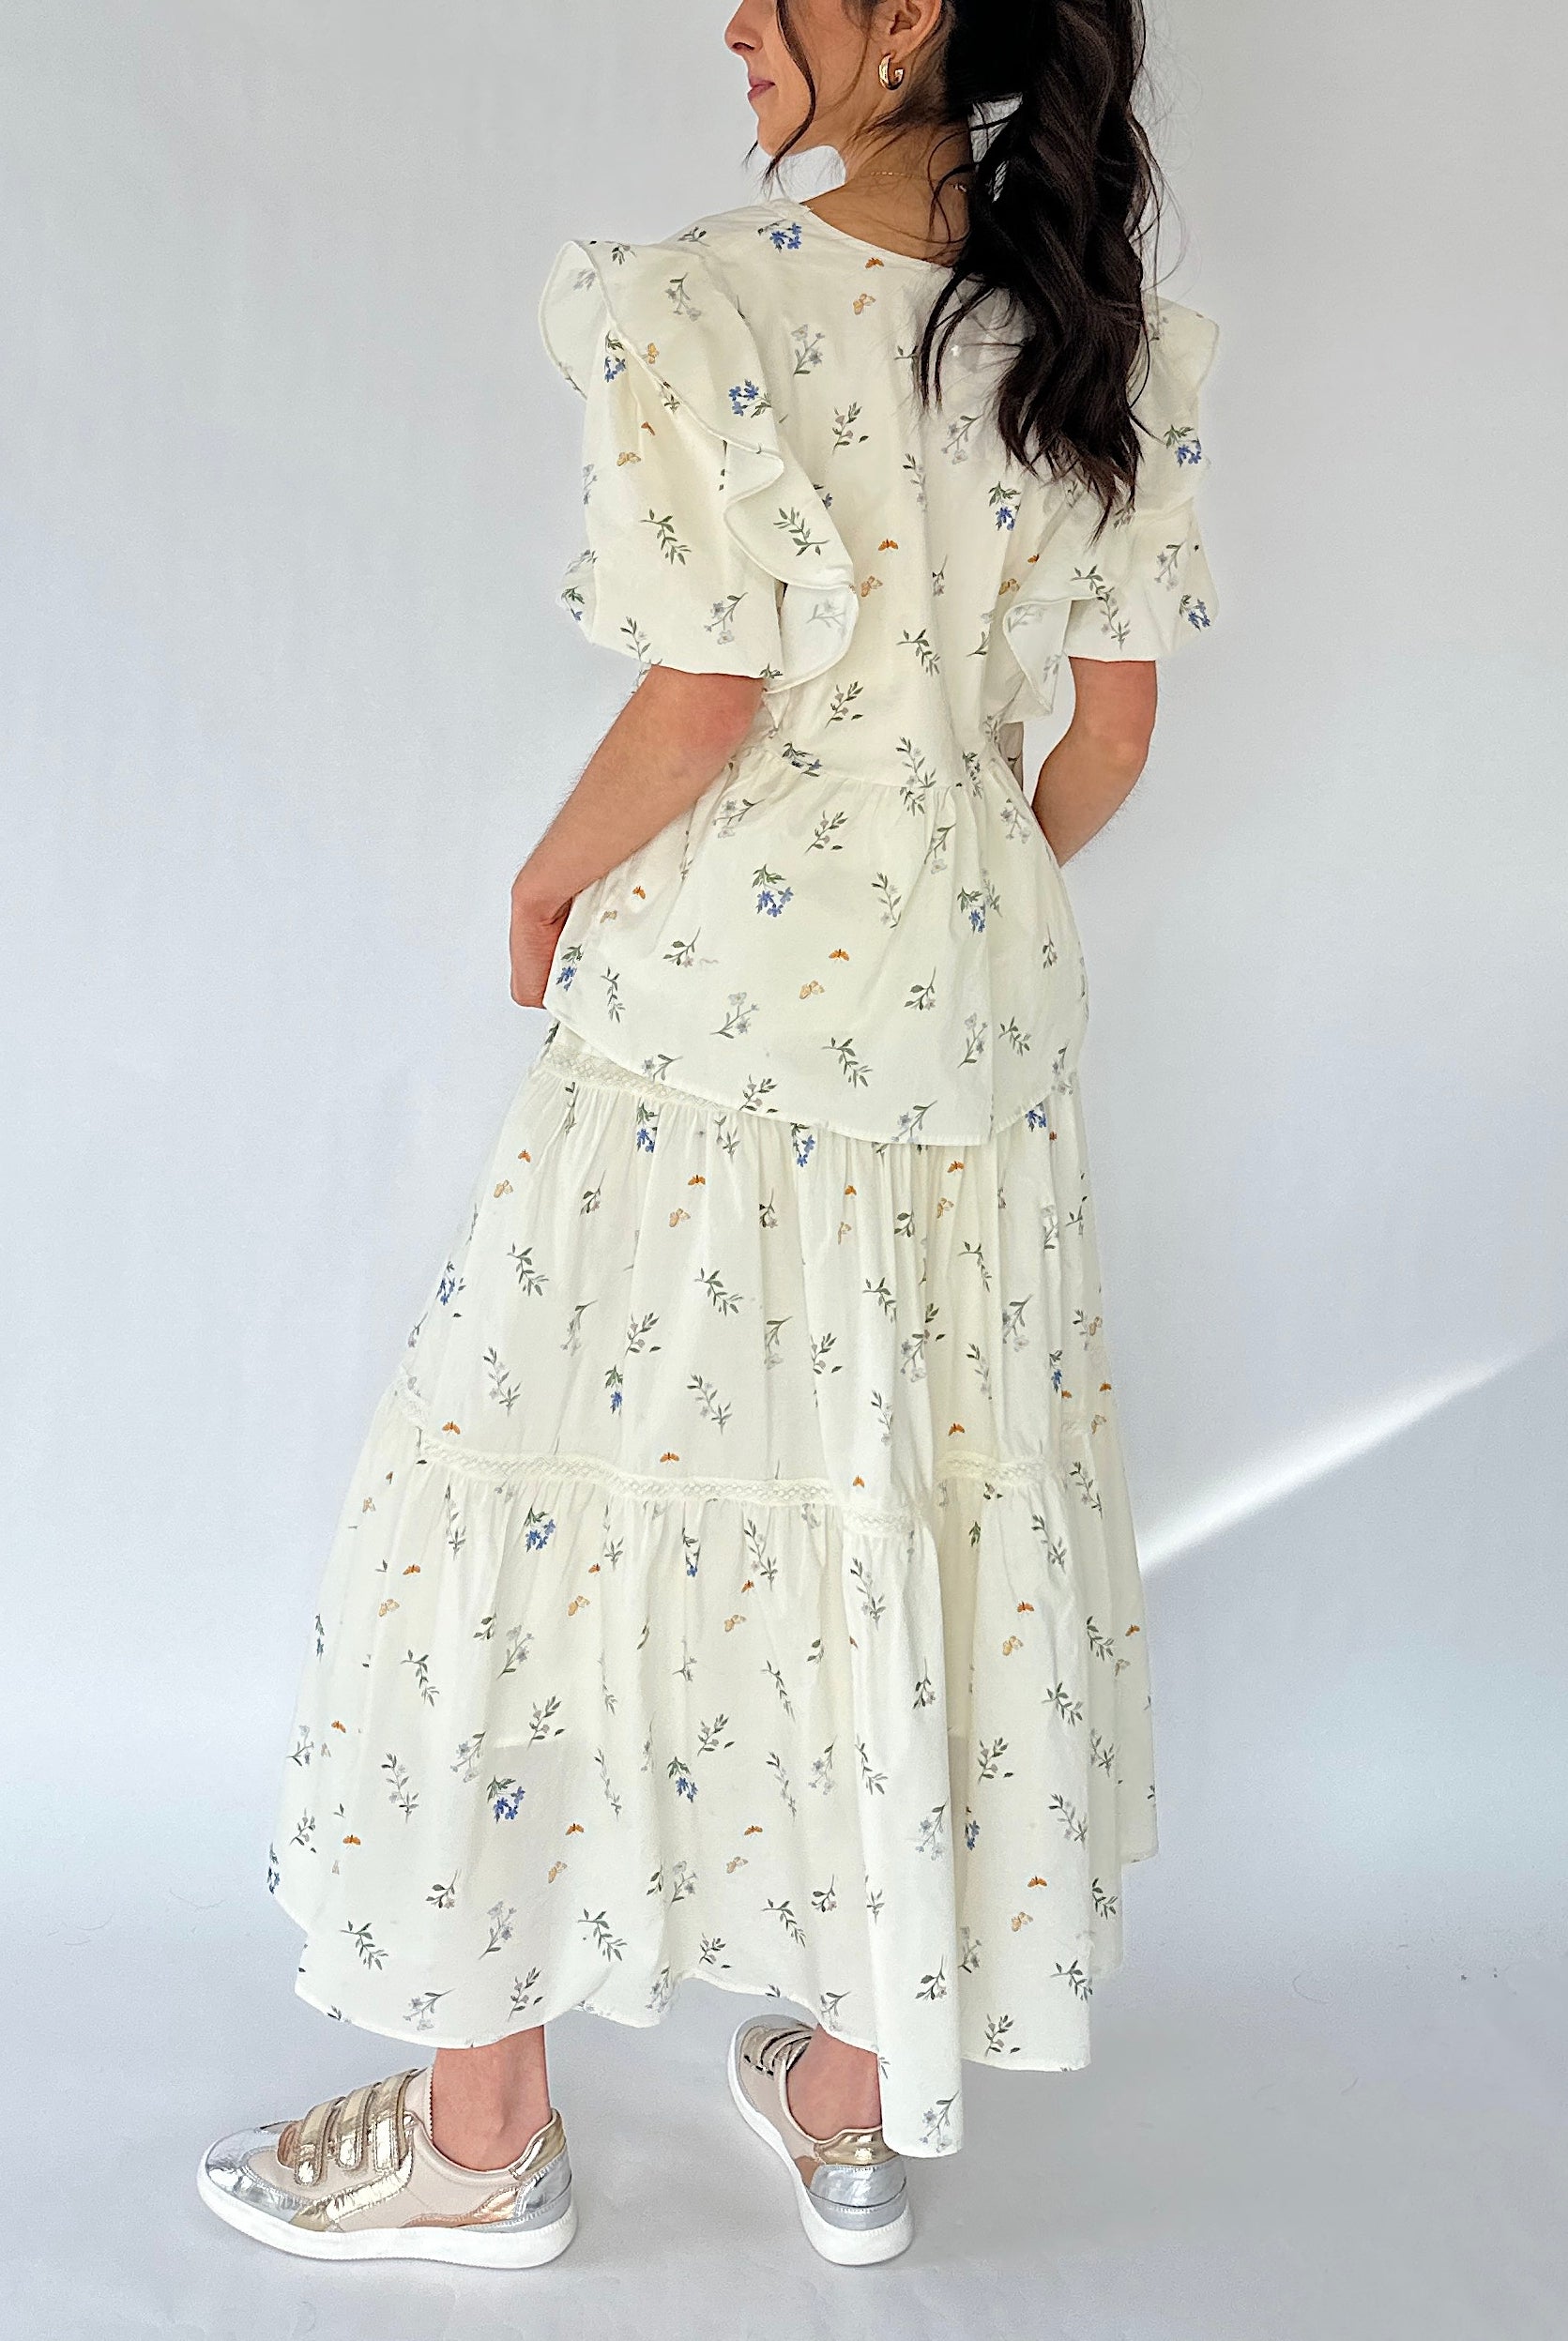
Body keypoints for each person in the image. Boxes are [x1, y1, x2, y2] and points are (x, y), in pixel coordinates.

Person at [197, 0, 1219, 2273]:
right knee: (915, 1488)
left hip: (717, 1031)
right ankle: (856, 2107)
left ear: (910, 23)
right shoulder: (1092, 337)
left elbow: (703, 692)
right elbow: (1113, 738)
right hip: (977, 1026)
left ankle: (481, 2132)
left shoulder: (712, 305)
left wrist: (550, 877)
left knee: (548, 1474)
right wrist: (958, 897)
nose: (730, 25)